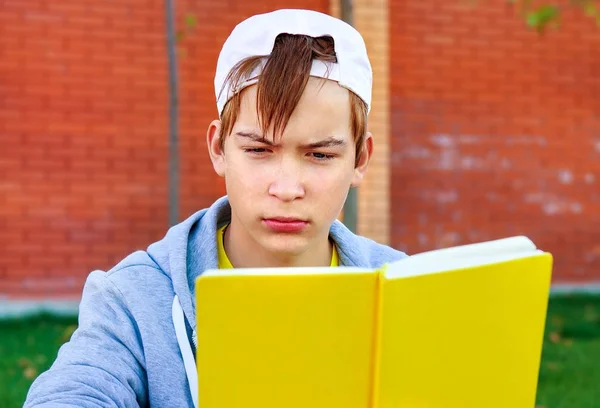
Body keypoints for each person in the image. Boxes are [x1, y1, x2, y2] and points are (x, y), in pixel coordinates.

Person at [24, 8, 408, 408]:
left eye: (320, 155)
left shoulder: (409, 294)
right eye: (259, 150)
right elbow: (76, 391)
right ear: (218, 149)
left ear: (360, 160)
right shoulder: (133, 298)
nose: (287, 188)